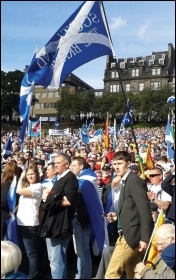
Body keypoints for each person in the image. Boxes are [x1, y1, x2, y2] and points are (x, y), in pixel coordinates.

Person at [105, 151, 154, 279]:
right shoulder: (125, 181)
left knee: (111, 274)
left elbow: (144, 210)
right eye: (114, 164)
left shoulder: (133, 180)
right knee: (134, 274)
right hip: (126, 233)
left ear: (128, 164)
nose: (116, 167)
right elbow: (132, 209)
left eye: (119, 163)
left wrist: (145, 238)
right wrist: (117, 217)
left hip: (131, 236)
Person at [39, 153, 79, 279]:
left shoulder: (70, 179)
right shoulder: (60, 178)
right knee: (54, 259)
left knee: (56, 262)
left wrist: (49, 200)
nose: (55, 165)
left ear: (66, 164)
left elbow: (68, 200)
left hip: (60, 224)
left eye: (58, 163)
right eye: (54, 163)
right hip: (51, 223)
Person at [70, 156, 108, 279]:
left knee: (83, 251)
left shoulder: (86, 180)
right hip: (83, 219)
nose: (71, 167)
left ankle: (83, 276)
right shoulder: (84, 178)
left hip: (83, 221)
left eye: (73, 165)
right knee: (81, 250)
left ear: (81, 166)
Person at [16, 164, 43, 279]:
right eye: (28, 174)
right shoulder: (29, 187)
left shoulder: (37, 186)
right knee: (24, 252)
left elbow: (18, 191)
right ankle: (25, 273)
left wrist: (21, 176)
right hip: (21, 223)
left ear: (37, 174)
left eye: (32, 174)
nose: (30, 176)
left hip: (30, 224)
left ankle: (32, 276)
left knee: (31, 253)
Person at [1, 161, 20, 240]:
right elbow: (4, 200)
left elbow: (3, 200)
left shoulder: (5, 183)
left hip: (6, 216)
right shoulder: (13, 184)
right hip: (9, 216)